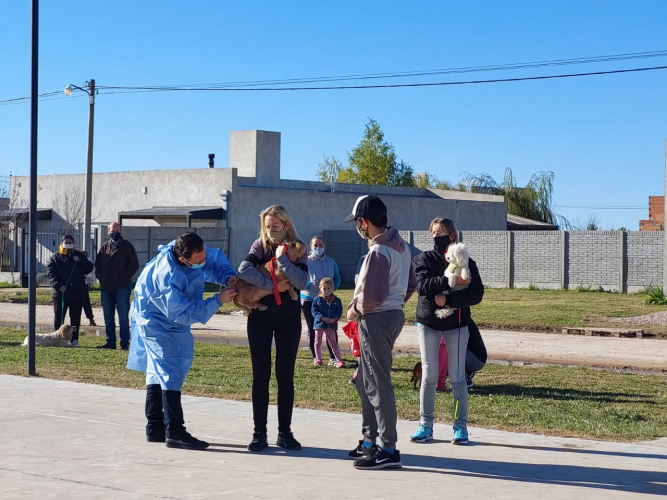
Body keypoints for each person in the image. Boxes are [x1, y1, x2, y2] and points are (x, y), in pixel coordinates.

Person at [127, 232, 238, 450]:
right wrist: (218, 300)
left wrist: (228, 276)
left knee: (157, 371)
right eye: (199, 261)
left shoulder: (189, 250)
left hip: (169, 319)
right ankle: (175, 431)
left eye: (203, 256)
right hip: (156, 321)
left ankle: (155, 427)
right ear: (183, 259)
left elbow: (214, 260)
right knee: (170, 370)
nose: (204, 263)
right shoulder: (166, 276)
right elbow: (184, 313)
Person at [344, 195, 417, 471]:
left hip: (375, 318)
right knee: (365, 379)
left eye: (358, 223)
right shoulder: (400, 246)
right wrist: (395, 303)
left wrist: (353, 311)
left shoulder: (378, 252)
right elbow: (410, 284)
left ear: (364, 222)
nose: (358, 228)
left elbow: (371, 297)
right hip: (392, 315)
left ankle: (387, 447)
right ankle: (368, 440)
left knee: (377, 383)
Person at [237, 205, 309, 452]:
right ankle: (259, 433)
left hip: (289, 317)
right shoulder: (260, 245)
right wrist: (273, 285)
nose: (270, 231)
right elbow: (244, 269)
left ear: (286, 225)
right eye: (267, 227)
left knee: (285, 375)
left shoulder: (299, 248)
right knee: (261, 375)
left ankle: (285, 432)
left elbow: (301, 282)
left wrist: (281, 261)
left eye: (275, 227)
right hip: (260, 315)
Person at [410, 218, 484, 446]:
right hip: (428, 322)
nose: (436, 235)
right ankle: (425, 425)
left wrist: (449, 299)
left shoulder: (466, 260)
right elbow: (422, 285)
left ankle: (460, 428)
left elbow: (476, 293)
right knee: (430, 375)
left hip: (457, 324)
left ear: (452, 235)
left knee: (458, 378)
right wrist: (450, 280)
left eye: (441, 232)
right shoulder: (423, 258)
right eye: (433, 232)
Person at [95, 222, 139, 350]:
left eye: (117, 230)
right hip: (106, 288)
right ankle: (110, 342)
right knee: (108, 317)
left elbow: (133, 266)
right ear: (108, 231)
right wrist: (102, 278)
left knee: (123, 317)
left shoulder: (127, 246)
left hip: (122, 287)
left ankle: (124, 343)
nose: (115, 233)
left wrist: (122, 279)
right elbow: (98, 265)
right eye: (113, 231)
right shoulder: (104, 247)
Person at [46, 233, 94, 347]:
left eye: (70, 243)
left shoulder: (79, 255)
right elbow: (50, 273)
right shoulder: (55, 257)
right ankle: (58, 338)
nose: (68, 245)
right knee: (59, 317)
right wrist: (59, 285)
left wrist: (81, 260)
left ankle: (74, 339)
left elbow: (89, 269)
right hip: (60, 293)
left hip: (76, 293)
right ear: (61, 243)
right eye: (66, 243)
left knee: (75, 317)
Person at [300, 236, 341, 364]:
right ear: (311, 246)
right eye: (315, 245)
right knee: (313, 327)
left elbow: (338, 278)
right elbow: (299, 278)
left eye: (320, 245)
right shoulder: (305, 261)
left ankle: (333, 357)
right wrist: (308, 285)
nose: (318, 247)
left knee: (331, 328)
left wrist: (332, 289)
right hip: (309, 298)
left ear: (325, 246)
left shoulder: (331, 261)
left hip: (328, 299)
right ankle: (316, 357)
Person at [311, 278, 344, 367]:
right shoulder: (317, 300)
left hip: (331, 324)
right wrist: (322, 318)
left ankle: (338, 360)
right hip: (319, 324)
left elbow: (339, 311)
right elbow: (314, 311)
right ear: (320, 289)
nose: (326, 291)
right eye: (324, 288)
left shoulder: (337, 300)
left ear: (332, 288)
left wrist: (334, 319)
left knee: (333, 342)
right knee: (318, 341)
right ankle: (318, 359)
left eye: (328, 288)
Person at [81, 251, 96, 326]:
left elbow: (89, 273)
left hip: (83, 284)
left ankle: (91, 319)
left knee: (86, 303)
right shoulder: (77, 261)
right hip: (75, 285)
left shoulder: (88, 262)